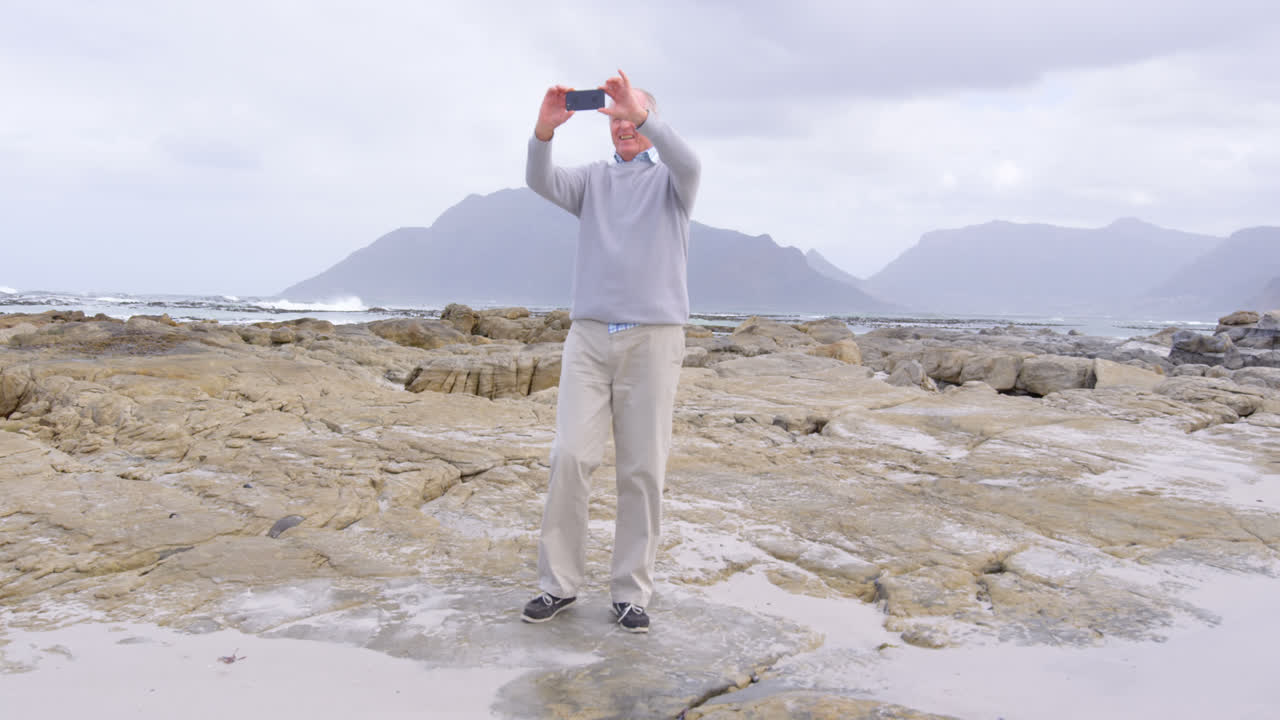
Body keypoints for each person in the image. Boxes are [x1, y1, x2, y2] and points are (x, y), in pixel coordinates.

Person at [520, 70, 701, 633]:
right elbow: (539, 181)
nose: (622, 124)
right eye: (615, 116)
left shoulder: (673, 179)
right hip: (590, 338)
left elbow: (690, 162)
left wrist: (643, 112)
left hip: (654, 338)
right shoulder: (593, 181)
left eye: (632, 116)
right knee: (570, 456)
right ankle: (558, 585)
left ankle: (630, 593)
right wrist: (544, 131)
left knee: (642, 469)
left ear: (650, 123)